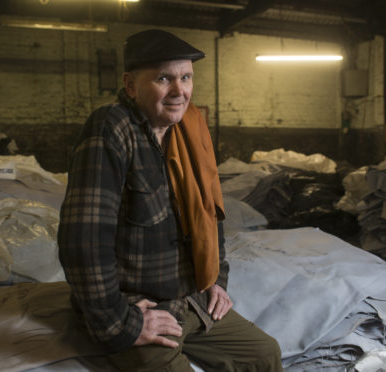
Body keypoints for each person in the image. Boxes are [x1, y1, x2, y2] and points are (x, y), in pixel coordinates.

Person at [58, 29, 282, 372]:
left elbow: (209, 213)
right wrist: (122, 323)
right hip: (138, 307)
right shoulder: (112, 127)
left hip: (190, 299)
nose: (180, 91)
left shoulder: (189, 130)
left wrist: (215, 280)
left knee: (264, 355)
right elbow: (83, 241)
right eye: (164, 78)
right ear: (131, 85)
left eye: (186, 78)